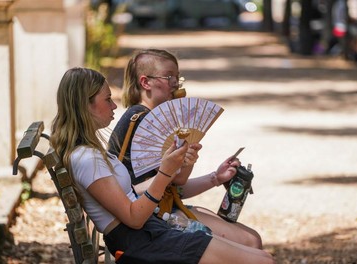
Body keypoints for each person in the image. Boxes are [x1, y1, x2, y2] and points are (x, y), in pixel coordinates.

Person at [50, 67, 274, 264]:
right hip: (142, 243)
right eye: (107, 99)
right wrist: (166, 171)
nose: (114, 105)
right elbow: (133, 218)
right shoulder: (87, 159)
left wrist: (176, 170)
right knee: (263, 260)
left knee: (262, 257)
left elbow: (129, 195)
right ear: (85, 106)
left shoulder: (89, 153)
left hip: (151, 232)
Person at [108, 48, 263, 249]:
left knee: (250, 239)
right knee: (250, 241)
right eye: (169, 76)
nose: (175, 83)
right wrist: (187, 157)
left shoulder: (147, 117)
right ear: (145, 82)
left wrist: (215, 178)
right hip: (149, 218)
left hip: (163, 208)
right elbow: (174, 180)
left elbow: (174, 186)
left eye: (177, 77)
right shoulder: (145, 120)